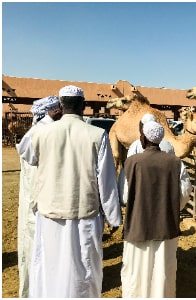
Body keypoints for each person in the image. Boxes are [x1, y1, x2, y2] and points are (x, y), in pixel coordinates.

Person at [27, 85, 122, 297]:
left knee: (50, 265)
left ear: (61, 106)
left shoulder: (41, 133)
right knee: (84, 270)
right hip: (84, 216)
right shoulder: (97, 135)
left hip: (50, 213)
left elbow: (30, 158)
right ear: (84, 105)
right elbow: (106, 181)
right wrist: (113, 216)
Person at [119, 120, 192, 297]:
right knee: (163, 271)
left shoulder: (131, 162)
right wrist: (168, 208)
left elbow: (124, 196)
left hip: (138, 226)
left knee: (136, 270)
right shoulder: (176, 163)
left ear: (143, 138)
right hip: (166, 226)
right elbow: (185, 193)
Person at [15, 95, 62, 298]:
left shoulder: (39, 132)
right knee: (36, 250)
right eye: (58, 110)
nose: (61, 112)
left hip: (37, 205)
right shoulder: (40, 134)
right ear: (51, 112)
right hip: (37, 207)